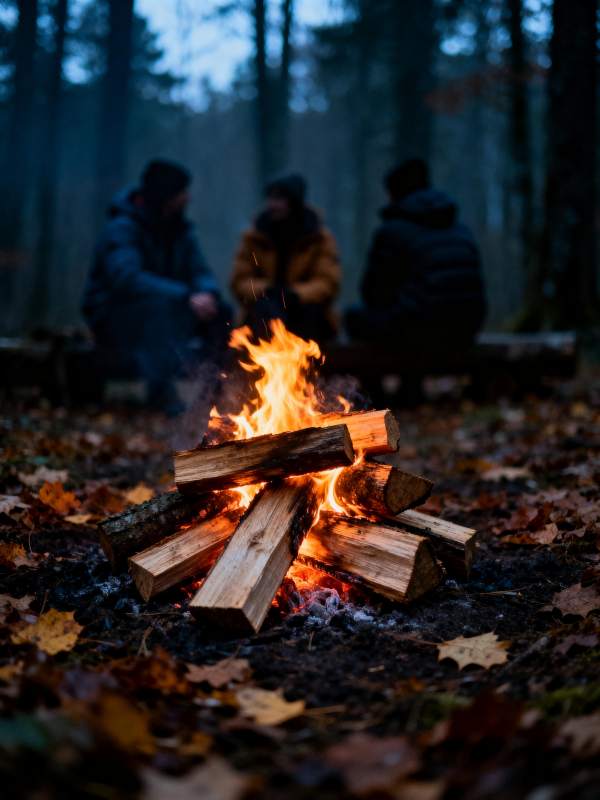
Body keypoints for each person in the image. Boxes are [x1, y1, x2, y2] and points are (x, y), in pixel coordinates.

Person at [83, 159, 230, 414]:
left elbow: (200, 271)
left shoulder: (181, 230)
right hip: (113, 314)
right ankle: (161, 394)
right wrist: (185, 296)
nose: (188, 198)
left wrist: (207, 293)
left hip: (168, 307)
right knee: (159, 309)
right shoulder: (122, 228)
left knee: (221, 311)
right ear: (166, 196)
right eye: (182, 192)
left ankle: (213, 391)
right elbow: (126, 279)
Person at [346, 159, 486, 348]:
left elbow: (373, 293)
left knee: (354, 317)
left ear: (395, 193)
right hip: (467, 327)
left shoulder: (392, 231)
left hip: (420, 329)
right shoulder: (461, 229)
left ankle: (373, 379)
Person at [230, 173, 340, 345]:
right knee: (265, 310)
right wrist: (267, 291)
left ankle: (305, 368)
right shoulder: (253, 237)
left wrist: (295, 295)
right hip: (264, 312)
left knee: (309, 313)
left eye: (279, 199)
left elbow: (328, 282)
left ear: (294, 203)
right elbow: (240, 281)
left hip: (306, 313)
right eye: (270, 198)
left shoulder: (319, 239)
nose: (272, 205)